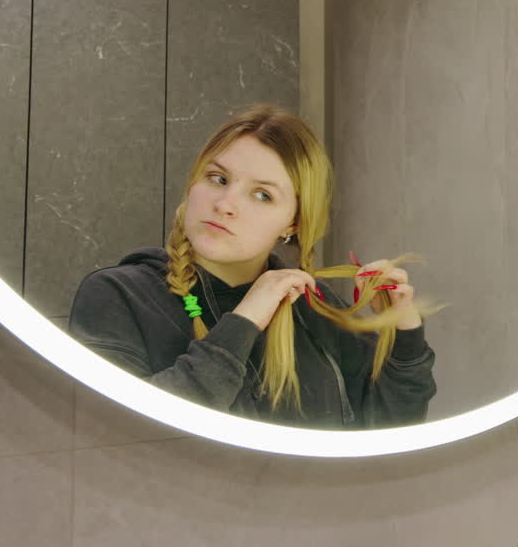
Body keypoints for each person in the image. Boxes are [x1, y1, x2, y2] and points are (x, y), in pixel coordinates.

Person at [69, 104, 436, 429]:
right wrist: (243, 323)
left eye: (263, 195)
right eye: (218, 178)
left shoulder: (317, 310)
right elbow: (116, 436)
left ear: (293, 223)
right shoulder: (117, 296)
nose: (226, 203)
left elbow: (389, 431)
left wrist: (404, 336)